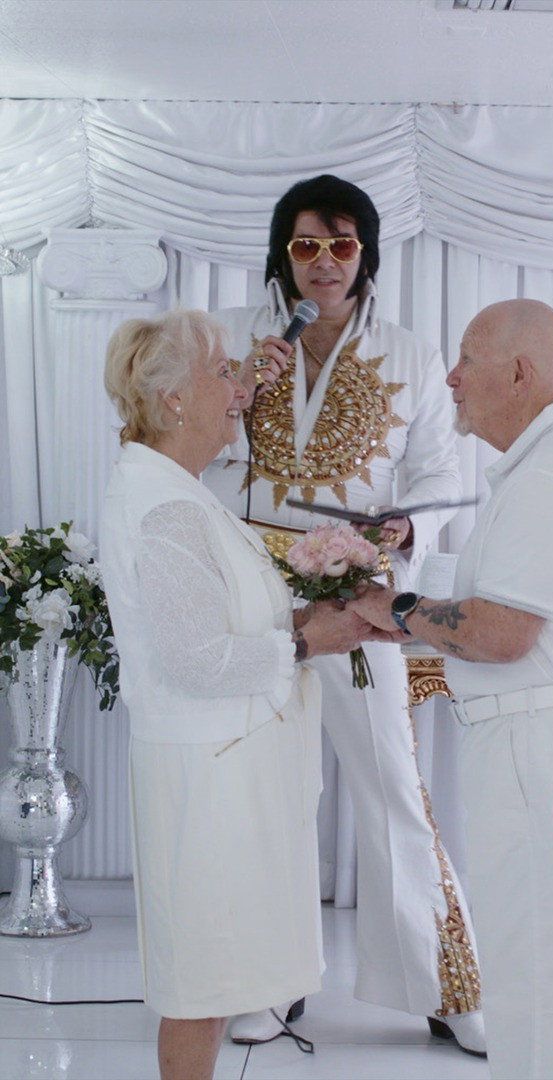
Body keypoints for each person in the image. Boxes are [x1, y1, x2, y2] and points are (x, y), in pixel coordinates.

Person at [204, 175, 486, 1055]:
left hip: (357, 591)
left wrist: (410, 525)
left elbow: (439, 471)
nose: (323, 262)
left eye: (341, 244)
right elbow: (182, 450)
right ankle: (266, 981)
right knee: (266, 789)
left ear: (366, 252)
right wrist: (235, 398)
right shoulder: (230, 340)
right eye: (305, 245)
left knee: (392, 784)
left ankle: (446, 988)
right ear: (282, 254)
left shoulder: (409, 352)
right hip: (252, 591)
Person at [350, 299, 553, 1080]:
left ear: (520, 373)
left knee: (534, 976)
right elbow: (501, 606)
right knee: (547, 971)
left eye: (468, 360)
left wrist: (397, 608)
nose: (451, 378)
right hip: (543, 744)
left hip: (542, 749)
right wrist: (419, 612)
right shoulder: (551, 463)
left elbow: (503, 632)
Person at [100, 309, 378, 1080]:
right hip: (208, 782)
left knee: (216, 982)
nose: (243, 388)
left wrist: (313, 621)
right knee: (200, 989)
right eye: (224, 372)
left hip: (224, 774)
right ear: (172, 400)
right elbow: (195, 660)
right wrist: (305, 643)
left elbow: (216, 625)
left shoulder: (179, 491)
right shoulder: (164, 506)